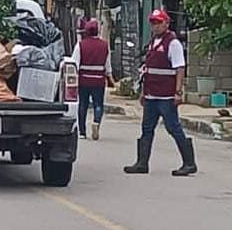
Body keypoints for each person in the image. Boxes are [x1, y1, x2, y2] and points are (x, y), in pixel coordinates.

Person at [124, 9, 198, 176]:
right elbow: (147, 70)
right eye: (153, 23)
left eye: (159, 22)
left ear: (166, 23)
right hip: (151, 95)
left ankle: (189, 163)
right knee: (146, 128)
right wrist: (143, 92)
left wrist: (178, 92)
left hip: (166, 95)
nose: (155, 26)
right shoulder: (153, 42)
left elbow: (180, 68)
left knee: (173, 127)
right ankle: (142, 163)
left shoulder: (173, 43)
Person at [72, 19, 115, 140]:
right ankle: (96, 121)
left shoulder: (81, 45)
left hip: (84, 79)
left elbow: (75, 63)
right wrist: (110, 76)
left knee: (83, 105)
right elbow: (107, 65)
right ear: (98, 31)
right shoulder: (104, 45)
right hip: (98, 80)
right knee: (98, 104)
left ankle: (82, 132)